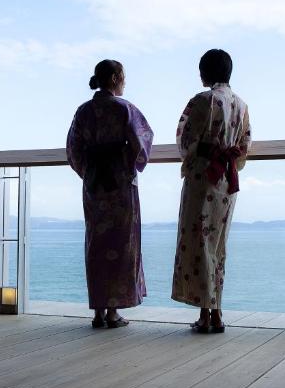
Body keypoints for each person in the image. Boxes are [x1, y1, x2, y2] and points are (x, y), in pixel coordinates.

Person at [67, 59, 154, 328]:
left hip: (94, 183)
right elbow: (143, 141)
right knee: (120, 244)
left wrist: (89, 170)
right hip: (119, 182)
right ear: (116, 78)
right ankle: (114, 312)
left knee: (96, 244)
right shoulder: (124, 108)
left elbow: (73, 149)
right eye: (124, 77)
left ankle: (97, 311)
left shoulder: (83, 111)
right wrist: (127, 163)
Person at [171, 49, 251, 333]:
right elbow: (244, 145)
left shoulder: (203, 100)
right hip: (227, 180)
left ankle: (206, 315)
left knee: (199, 244)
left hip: (204, 177)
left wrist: (196, 156)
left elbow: (186, 139)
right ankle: (217, 313)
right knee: (218, 246)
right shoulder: (241, 105)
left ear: (206, 72)